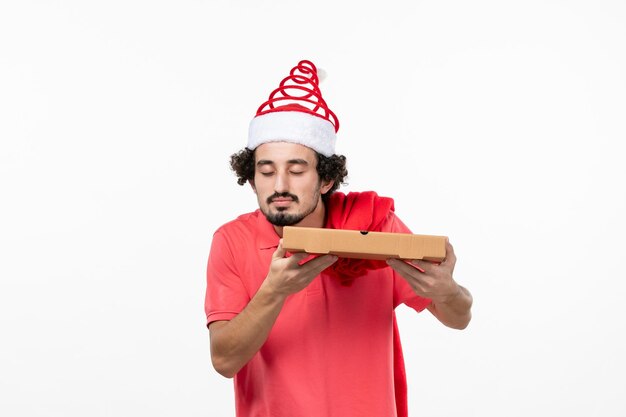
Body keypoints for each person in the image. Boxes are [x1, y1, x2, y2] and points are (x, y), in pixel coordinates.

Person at [205, 60, 473, 417]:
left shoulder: (375, 228)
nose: (280, 185)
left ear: (327, 179)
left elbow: (459, 317)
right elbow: (224, 360)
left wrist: (447, 292)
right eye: (266, 171)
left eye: (297, 170)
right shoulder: (232, 241)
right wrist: (274, 291)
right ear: (251, 179)